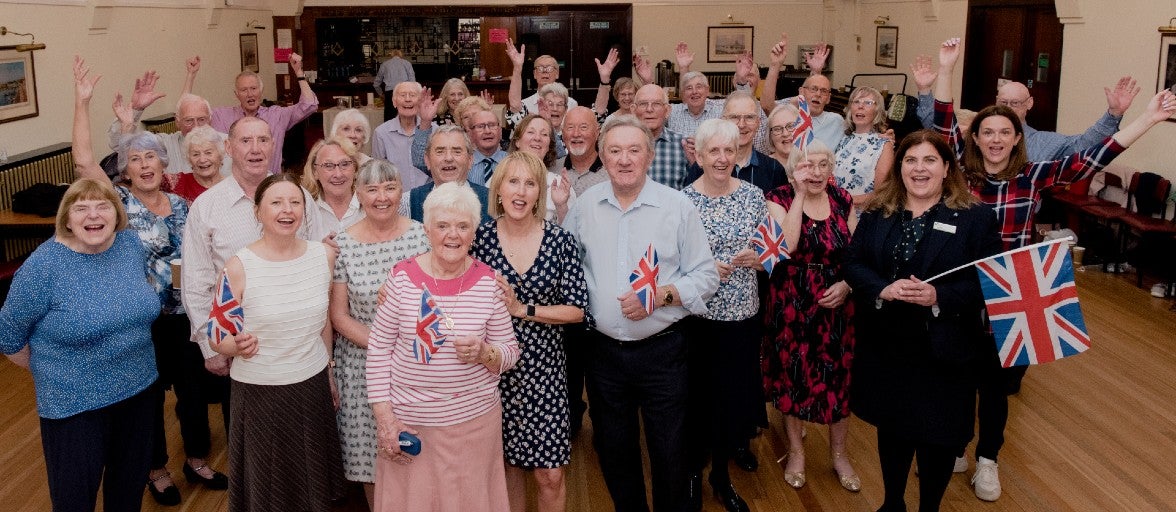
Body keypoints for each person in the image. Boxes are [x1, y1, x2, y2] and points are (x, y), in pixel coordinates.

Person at [927, 37, 1176, 502]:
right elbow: (941, 124)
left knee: (997, 388)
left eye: (1005, 132)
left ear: (1017, 137)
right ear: (975, 139)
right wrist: (946, 68)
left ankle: (988, 460)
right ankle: (958, 446)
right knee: (958, 379)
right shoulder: (958, 172)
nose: (996, 139)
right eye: (987, 132)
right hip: (963, 291)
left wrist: (1147, 118)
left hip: (1013, 292)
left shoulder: (1035, 175)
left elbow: (1096, 157)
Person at [70, 57, 228, 506]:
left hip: (183, 316)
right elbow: (83, 160)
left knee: (194, 395)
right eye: (134, 159)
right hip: (138, 321)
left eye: (151, 157)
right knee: (146, 401)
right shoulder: (117, 205)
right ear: (125, 169)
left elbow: (194, 257)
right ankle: (154, 469)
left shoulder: (180, 204)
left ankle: (197, 459)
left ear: (164, 164)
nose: (144, 165)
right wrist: (83, 102)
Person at [562, 115, 719, 511]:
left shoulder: (677, 207)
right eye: (614, 151)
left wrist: (663, 294)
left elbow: (705, 276)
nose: (624, 159)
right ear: (602, 155)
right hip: (603, 355)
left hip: (663, 353)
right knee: (613, 451)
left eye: (634, 150)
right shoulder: (584, 207)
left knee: (670, 453)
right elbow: (568, 267)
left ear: (650, 156)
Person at [844, 129, 1001, 512]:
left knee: (940, 438)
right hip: (887, 345)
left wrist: (939, 297)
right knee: (893, 429)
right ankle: (893, 502)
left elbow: (991, 282)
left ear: (947, 167)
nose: (919, 168)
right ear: (900, 168)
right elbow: (851, 262)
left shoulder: (975, 218)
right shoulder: (880, 212)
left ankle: (929, 507)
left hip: (946, 350)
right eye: (910, 160)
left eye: (929, 160)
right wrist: (881, 288)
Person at [1, 178, 159, 512]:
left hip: (139, 389)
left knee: (128, 492)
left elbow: (135, 299)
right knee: (74, 500)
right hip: (74, 404)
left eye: (102, 206)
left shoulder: (129, 245)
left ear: (116, 214)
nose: (93, 215)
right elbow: (9, 335)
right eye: (81, 208)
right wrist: (54, 369)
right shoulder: (44, 266)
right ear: (67, 219)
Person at [365, 181, 521, 512]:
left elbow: (510, 351)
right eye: (443, 225)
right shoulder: (402, 278)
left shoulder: (489, 282)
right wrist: (386, 420)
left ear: (475, 232)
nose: (453, 234)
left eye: (463, 226)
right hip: (410, 423)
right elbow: (378, 350)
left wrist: (484, 353)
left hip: (474, 424)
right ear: (427, 229)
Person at [210, 173, 346, 511]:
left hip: (311, 384)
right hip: (261, 392)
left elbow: (324, 323)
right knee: (270, 490)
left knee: (312, 486)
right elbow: (217, 336)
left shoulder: (323, 256)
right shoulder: (238, 266)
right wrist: (235, 346)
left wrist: (329, 370)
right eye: (276, 202)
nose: (287, 210)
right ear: (257, 211)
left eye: (295, 202)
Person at [471, 150, 589, 512]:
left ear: (540, 192)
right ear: (499, 189)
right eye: (513, 181)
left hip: (544, 373)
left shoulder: (560, 242)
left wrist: (521, 309)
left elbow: (576, 310)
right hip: (490, 371)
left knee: (549, 474)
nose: (521, 191)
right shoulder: (477, 241)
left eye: (530, 183)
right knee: (505, 469)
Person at [182, 116, 328, 388]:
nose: (255, 149)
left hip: (300, 345)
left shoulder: (299, 197)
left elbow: (318, 264)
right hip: (239, 348)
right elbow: (197, 283)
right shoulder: (206, 207)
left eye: (263, 140)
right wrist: (211, 346)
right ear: (228, 148)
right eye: (245, 141)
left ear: (273, 145)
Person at [329, 159, 429, 510]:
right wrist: (386, 343)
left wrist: (405, 347)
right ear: (358, 194)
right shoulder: (342, 245)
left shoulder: (423, 235)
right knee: (371, 461)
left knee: (417, 451)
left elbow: (440, 302)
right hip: (362, 369)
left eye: (389, 187)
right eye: (371, 189)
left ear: (401, 191)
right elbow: (339, 316)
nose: (381, 197)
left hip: (418, 365)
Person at [762, 140, 861, 493]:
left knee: (839, 379)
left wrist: (848, 284)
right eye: (807, 165)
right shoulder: (779, 197)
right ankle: (797, 451)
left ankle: (839, 454)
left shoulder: (843, 199)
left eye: (822, 165)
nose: (815, 172)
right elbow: (785, 247)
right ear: (793, 169)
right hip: (792, 299)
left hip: (837, 301)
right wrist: (800, 195)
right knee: (792, 376)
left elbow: (856, 254)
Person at [681, 119, 767, 512]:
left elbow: (774, 254)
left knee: (730, 400)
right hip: (697, 319)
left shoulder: (753, 195)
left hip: (742, 317)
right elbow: (671, 264)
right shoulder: (682, 202)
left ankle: (720, 475)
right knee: (698, 400)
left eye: (727, 151)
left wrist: (760, 258)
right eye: (712, 151)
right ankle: (693, 475)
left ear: (737, 154)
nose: (721, 158)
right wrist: (702, 269)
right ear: (698, 155)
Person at [912, 57, 1140, 161]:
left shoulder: (1042, 143)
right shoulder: (975, 131)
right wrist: (924, 91)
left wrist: (1113, 115)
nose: (1009, 109)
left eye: (1016, 104)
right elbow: (938, 127)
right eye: (1004, 103)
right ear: (995, 102)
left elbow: (1084, 145)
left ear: (1029, 104)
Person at [210, 53, 318, 174]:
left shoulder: (276, 115)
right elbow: (187, 116)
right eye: (244, 90)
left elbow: (309, 105)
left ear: (261, 91)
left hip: (270, 184)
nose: (250, 94)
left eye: (254, 88)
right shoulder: (222, 116)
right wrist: (191, 75)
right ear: (236, 95)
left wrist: (298, 71)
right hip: (237, 185)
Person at [684, 91, 788, 193]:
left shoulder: (774, 169)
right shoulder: (703, 167)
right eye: (734, 117)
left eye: (749, 117)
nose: (742, 125)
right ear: (723, 120)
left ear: (758, 123)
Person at [760, 35, 842, 150]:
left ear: (828, 98)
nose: (818, 94)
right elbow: (767, 106)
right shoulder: (791, 115)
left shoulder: (836, 121)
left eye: (823, 91)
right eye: (813, 89)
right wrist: (775, 65)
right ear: (801, 92)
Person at [402, 125, 493, 224]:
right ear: (427, 160)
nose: (448, 158)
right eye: (440, 152)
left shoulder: (493, 200)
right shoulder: (407, 202)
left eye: (457, 151)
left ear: (470, 160)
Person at [834, 86, 895, 209]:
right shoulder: (844, 138)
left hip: (860, 214)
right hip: (835, 210)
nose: (860, 106)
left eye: (868, 103)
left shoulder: (883, 144)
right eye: (856, 102)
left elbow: (881, 193)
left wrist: (843, 200)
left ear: (877, 111)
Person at [507, 114, 573, 221]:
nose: (537, 138)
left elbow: (570, 231)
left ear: (549, 146)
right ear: (517, 141)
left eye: (544, 134)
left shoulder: (560, 185)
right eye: (530, 132)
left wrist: (561, 206)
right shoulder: (500, 178)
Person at [372, 81, 431, 193]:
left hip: (428, 196)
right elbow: (377, 172)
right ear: (394, 102)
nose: (407, 99)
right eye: (402, 95)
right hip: (395, 197)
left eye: (413, 95)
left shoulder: (434, 130)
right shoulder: (381, 133)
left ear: (420, 101)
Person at [630, 84, 691, 190]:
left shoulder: (684, 145)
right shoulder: (620, 144)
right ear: (633, 110)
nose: (649, 109)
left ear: (667, 111)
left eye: (656, 104)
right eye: (643, 104)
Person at [303, 137, 364, 235]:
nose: (338, 174)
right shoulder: (305, 211)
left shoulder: (370, 207)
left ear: (355, 169)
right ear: (315, 172)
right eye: (328, 166)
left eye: (344, 164)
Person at [173, 125, 228, 202]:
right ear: (189, 159)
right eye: (196, 154)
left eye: (208, 153)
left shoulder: (232, 187)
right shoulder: (178, 183)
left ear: (220, 155)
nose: (202, 160)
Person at [373, 49, 416, 121]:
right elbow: (413, 82)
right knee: (405, 118)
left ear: (391, 55)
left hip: (390, 94)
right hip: (404, 93)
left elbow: (376, 84)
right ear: (401, 55)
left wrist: (381, 94)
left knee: (389, 119)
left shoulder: (385, 64)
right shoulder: (407, 63)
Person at [766, 103, 800, 181]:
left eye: (791, 126)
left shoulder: (814, 164)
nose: (785, 134)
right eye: (777, 129)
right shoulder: (762, 167)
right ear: (770, 136)